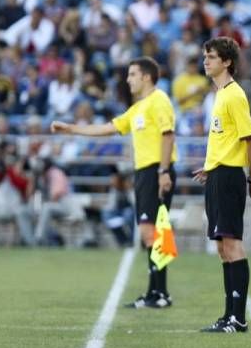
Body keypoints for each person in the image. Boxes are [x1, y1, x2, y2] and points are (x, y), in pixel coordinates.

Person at [51, 56, 177, 309]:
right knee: (151, 232)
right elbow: (108, 128)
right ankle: (156, 292)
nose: (128, 79)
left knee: (152, 231)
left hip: (156, 170)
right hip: (143, 173)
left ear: (147, 77)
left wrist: (164, 171)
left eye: (132, 74)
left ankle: (160, 293)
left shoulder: (159, 100)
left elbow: (168, 135)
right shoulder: (138, 108)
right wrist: (72, 129)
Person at [193, 37, 251, 333]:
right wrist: (211, 167)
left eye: (211, 57)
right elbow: (226, 138)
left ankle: (239, 318)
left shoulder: (234, 95)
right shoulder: (219, 94)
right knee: (222, 247)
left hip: (231, 177)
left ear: (227, 62)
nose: (206, 61)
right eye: (205, 56)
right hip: (218, 174)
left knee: (232, 244)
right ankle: (228, 315)